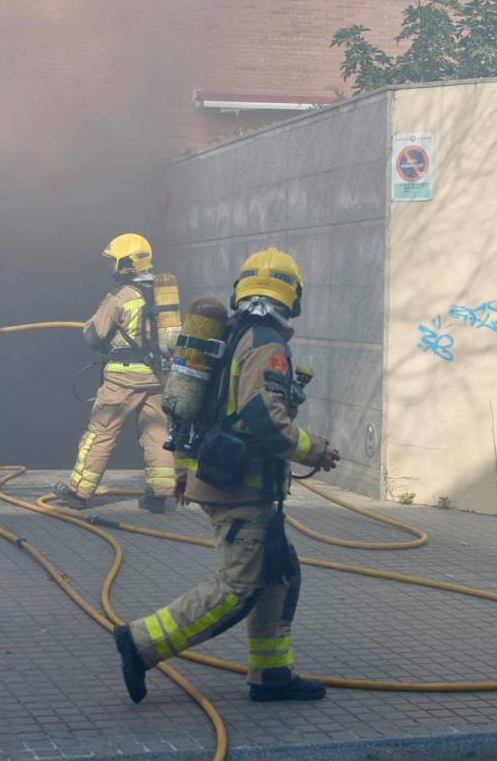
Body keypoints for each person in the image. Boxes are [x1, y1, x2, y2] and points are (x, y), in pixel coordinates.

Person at [112, 247, 340, 704]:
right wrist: (316, 449)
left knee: (278, 573)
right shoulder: (266, 343)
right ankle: (141, 642)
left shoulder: (234, 334)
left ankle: (271, 674)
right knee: (238, 586)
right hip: (241, 485)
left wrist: (181, 471)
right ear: (292, 294)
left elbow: (194, 413)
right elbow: (263, 417)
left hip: (229, 478)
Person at [52, 233, 178, 513]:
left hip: (123, 378)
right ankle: (158, 495)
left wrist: (90, 325)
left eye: (114, 261)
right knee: (157, 432)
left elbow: (94, 337)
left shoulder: (121, 296)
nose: (111, 267)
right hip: (158, 377)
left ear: (127, 263)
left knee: (101, 431)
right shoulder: (162, 293)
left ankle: (78, 492)